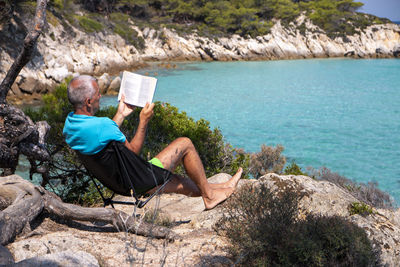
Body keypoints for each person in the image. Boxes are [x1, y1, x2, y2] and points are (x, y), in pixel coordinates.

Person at [63, 75, 242, 210]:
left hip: (119, 182)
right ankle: (210, 197)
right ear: (88, 101)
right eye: (97, 94)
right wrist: (143, 121)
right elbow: (132, 152)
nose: (100, 96)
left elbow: (102, 135)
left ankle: (221, 187)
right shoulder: (103, 125)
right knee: (185, 143)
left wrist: (121, 115)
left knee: (180, 178)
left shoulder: (71, 126)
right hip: (137, 181)